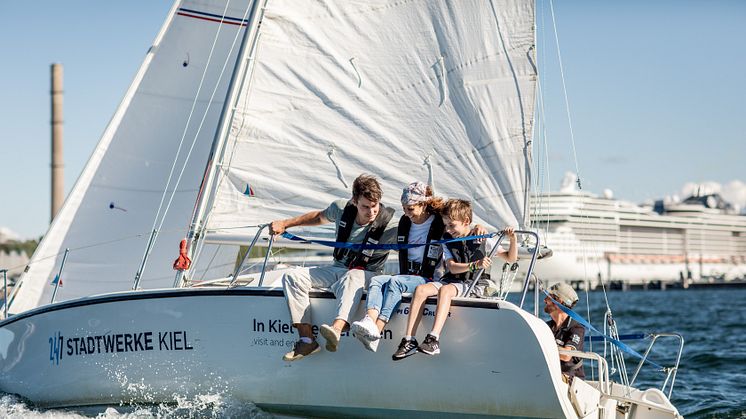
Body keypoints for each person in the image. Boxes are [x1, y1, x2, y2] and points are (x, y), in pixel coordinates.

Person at [271, 174, 398, 361]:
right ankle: (307, 340)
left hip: (368, 275)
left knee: (354, 274)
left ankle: (337, 328)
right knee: (292, 276)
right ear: (354, 201)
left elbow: (419, 235)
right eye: (365, 207)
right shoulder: (340, 208)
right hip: (337, 270)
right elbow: (318, 217)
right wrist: (285, 223)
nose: (371, 212)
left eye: (375, 206)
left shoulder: (392, 224)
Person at [392, 198, 518, 360]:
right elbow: (451, 266)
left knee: (446, 290)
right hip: (453, 279)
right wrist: (474, 264)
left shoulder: (482, 237)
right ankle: (409, 339)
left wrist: (512, 239)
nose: (448, 229)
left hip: (475, 284)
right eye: (446, 225)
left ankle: (433, 338)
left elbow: (510, 258)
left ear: (466, 221)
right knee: (421, 289)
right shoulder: (448, 240)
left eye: (452, 225)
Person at [349, 181, 445, 353]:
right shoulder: (405, 221)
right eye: (404, 208)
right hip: (408, 275)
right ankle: (369, 321)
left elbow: (461, 221)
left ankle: (377, 331)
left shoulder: (439, 221)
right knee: (377, 280)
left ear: (423, 204)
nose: (407, 213)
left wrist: (478, 227)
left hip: (429, 278)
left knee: (395, 282)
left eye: (411, 208)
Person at [543, 282, 586, 381]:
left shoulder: (576, 328)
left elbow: (567, 355)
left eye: (549, 297)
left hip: (570, 381)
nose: (545, 300)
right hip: (549, 375)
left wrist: (542, 348)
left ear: (559, 301)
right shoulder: (546, 327)